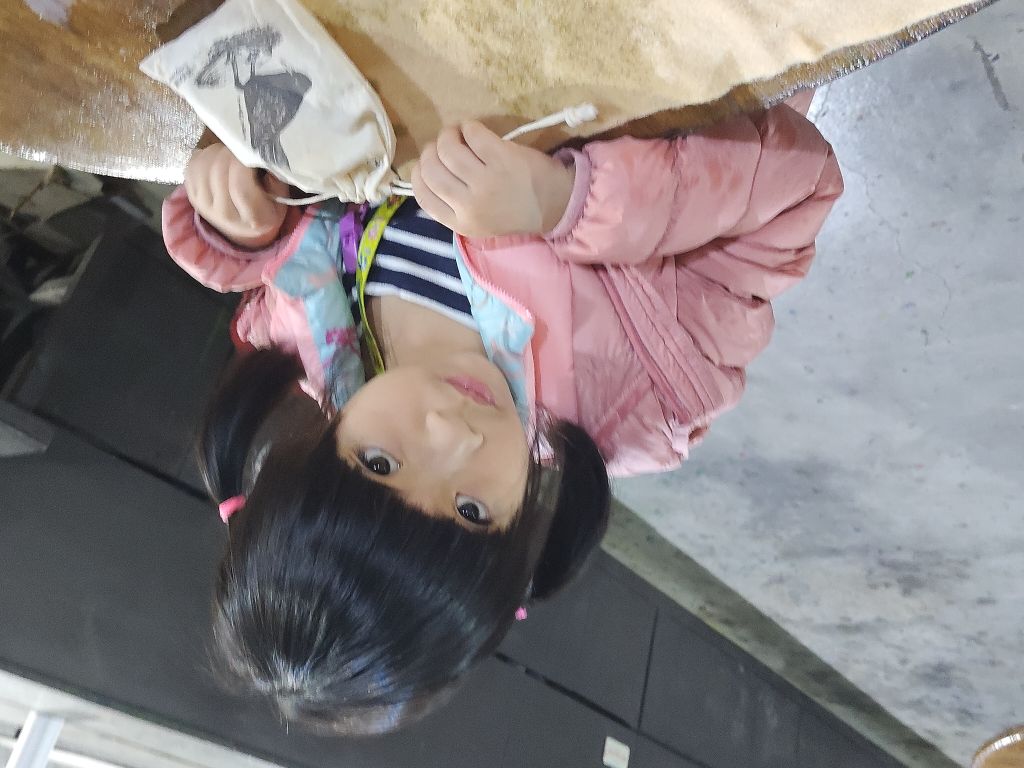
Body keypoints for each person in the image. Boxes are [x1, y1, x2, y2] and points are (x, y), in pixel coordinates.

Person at [162, 95, 843, 734]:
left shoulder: (308, 333)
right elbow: (792, 182)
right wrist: (568, 203)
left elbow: (285, 219)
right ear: (520, 536)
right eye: (472, 510)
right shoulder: (646, 401)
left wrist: (244, 220)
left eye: (380, 464)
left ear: (311, 452)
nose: (454, 435)